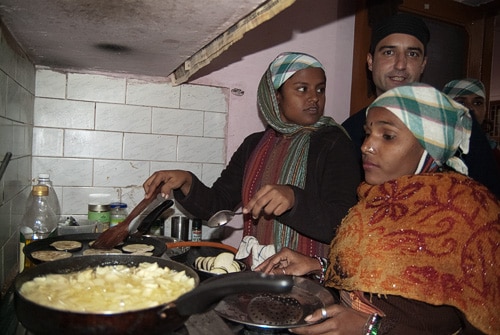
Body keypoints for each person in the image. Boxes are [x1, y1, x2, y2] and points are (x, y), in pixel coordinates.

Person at [257, 83, 499, 335]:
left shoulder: (470, 212)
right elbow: (390, 273)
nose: (366, 146)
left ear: (429, 145)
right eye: (368, 133)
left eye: (388, 136)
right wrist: (318, 265)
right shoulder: (375, 199)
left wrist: (371, 328)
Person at [143, 52, 361, 258]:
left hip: (309, 281)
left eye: (320, 90)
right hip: (256, 271)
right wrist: (186, 182)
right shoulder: (254, 144)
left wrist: (294, 199)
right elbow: (218, 206)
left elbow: (344, 224)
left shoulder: (333, 143)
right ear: (276, 96)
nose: (314, 98)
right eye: (302, 89)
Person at [342, 13, 500, 198]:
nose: (401, 64)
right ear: (370, 61)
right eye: (389, 52)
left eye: (412, 54)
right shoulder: (348, 132)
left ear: (423, 64)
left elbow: (491, 199)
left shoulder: (457, 122)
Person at [443, 78, 500, 170]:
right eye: (461, 102)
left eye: (477, 103)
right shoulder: (435, 153)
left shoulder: (495, 154)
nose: (470, 108)